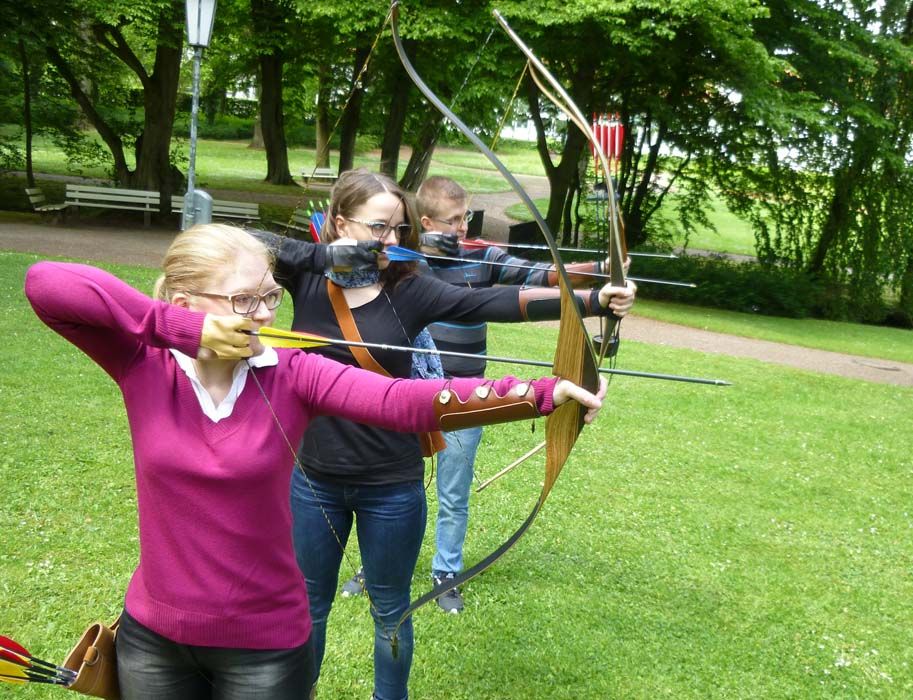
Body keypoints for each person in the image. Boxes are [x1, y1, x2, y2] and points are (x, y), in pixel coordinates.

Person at [23, 223, 605, 700]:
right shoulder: (143, 363)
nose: (263, 311)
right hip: (153, 641)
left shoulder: (293, 371)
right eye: (243, 299)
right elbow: (47, 284)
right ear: (184, 303)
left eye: (269, 295)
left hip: (266, 647)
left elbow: (402, 402)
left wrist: (537, 393)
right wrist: (180, 331)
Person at [263, 169, 634, 700]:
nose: (388, 241)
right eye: (375, 228)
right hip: (313, 475)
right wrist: (325, 257)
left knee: (391, 608)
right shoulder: (304, 280)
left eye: (397, 229)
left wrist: (594, 301)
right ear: (339, 222)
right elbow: (236, 245)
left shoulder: (409, 289)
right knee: (307, 602)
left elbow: (493, 303)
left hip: (390, 481)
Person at [410, 175, 626, 614]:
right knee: (399, 487)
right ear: (427, 221)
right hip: (410, 392)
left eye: (465, 218)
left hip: (468, 395)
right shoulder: (403, 263)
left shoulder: (481, 256)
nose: (461, 229)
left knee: (454, 492)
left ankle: (445, 571)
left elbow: (539, 275)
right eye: (452, 222)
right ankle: (382, 562)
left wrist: (604, 274)